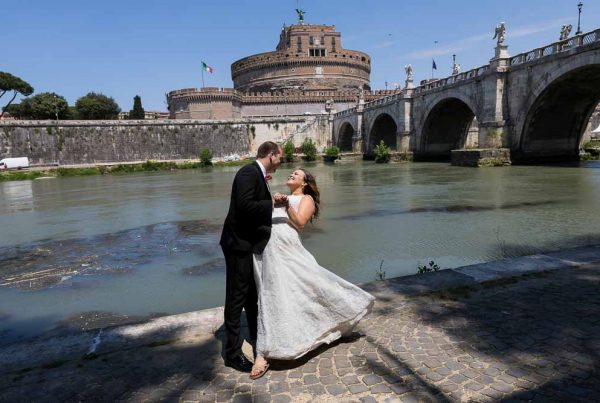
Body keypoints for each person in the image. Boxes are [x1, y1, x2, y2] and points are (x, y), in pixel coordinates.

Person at [250, 168, 375, 379]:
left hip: (288, 248)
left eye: (296, 174)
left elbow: (299, 223)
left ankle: (264, 354)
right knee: (271, 295)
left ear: (305, 182)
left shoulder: (306, 198)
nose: (291, 174)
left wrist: (286, 205)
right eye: (291, 172)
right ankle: (265, 351)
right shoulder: (278, 196)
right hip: (268, 248)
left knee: (312, 285)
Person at [219, 141, 285, 372]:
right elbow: (245, 205)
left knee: (250, 294)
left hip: (246, 243)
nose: (281, 162)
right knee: (237, 297)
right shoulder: (248, 172)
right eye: (280, 158)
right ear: (271, 155)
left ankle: (258, 336)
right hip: (238, 244)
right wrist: (272, 203)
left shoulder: (257, 173)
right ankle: (232, 353)